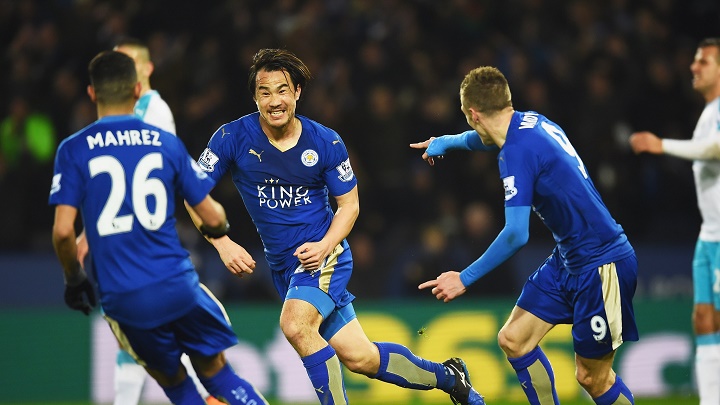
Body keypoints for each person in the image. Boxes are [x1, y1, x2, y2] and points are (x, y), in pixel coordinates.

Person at [187, 48, 485, 405]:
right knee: (361, 357)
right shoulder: (232, 137)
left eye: (282, 90)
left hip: (324, 256)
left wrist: (325, 245)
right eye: (264, 92)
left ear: (297, 92)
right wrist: (222, 243)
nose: (274, 101)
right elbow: (193, 192)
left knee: (296, 326)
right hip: (284, 266)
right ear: (254, 97)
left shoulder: (325, 142)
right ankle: (451, 378)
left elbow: (350, 206)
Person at [49, 50, 267, 405]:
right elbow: (212, 216)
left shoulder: (73, 150)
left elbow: (62, 233)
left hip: (125, 298)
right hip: (176, 285)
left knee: (178, 386)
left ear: (92, 94)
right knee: (219, 374)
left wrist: (74, 279)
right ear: (137, 91)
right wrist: (220, 228)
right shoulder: (164, 142)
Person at [412, 66, 638, 405]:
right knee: (514, 339)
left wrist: (465, 278)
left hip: (602, 265)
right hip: (569, 260)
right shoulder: (531, 122)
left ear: (473, 113)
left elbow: (516, 234)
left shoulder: (515, 154)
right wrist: (448, 141)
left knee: (592, 377)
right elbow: (484, 138)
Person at [73, 38, 217, 405]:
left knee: (146, 330)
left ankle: (210, 393)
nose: (123, 69)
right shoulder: (132, 115)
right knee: (137, 334)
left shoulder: (154, 113)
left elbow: (161, 178)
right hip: (125, 236)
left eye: (129, 62)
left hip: (142, 239)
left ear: (146, 69)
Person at [629, 37, 720, 405]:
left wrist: (661, 144)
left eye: (704, 62)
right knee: (703, 318)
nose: (694, 67)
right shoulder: (708, 112)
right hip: (708, 235)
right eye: (695, 60)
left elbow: (715, 149)